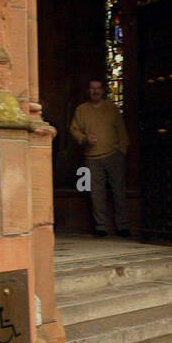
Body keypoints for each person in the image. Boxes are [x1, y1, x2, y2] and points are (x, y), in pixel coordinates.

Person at [69, 78, 130, 238]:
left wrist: (122, 151)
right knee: (96, 193)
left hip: (113, 156)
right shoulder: (81, 109)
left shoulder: (112, 108)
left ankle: (123, 226)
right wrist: (84, 139)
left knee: (119, 192)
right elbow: (74, 130)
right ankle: (101, 227)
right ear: (88, 91)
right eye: (92, 88)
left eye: (98, 88)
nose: (95, 91)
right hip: (91, 158)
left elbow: (122, 131)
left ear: (103, 90)